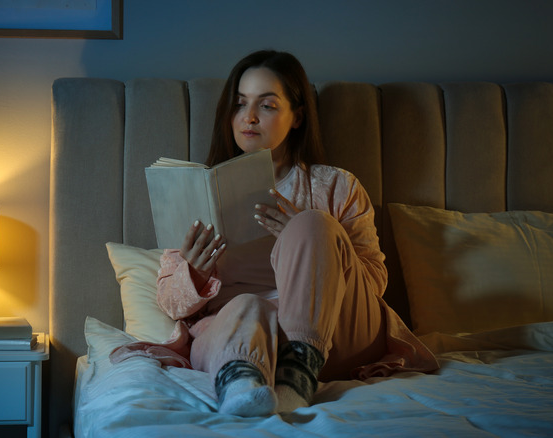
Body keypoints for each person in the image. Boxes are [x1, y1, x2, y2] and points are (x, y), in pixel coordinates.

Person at [141, 50, 437, 417]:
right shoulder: (199, 192)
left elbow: (374, 285)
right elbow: (170, 303)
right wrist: (196, 271)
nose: (248, 117)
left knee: (313, 224)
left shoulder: (336, 187)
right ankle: (241, 382)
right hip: (241, 331)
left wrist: (312, 240)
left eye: (266, 105)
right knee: (247, 306)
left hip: (335, 335)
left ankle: (299, 371)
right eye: (239, 104)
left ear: (296, 117)